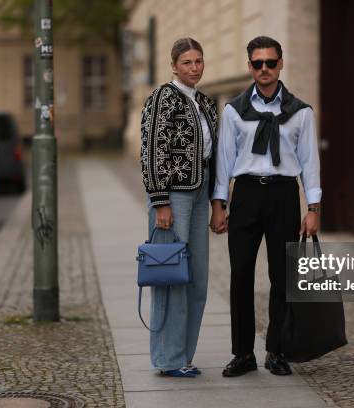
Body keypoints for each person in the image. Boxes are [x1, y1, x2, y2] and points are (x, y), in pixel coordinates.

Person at [211, 36, 321, 377]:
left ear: (280, 65)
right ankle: (243, 353)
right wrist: (219, 204)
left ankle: (277, 349)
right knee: (241, 275)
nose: (264, 69)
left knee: (282, 277)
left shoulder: (300, 113)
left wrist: (313, 207)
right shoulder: (234, 110)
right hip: (245, 195)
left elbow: (310, 162)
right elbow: (224, 161)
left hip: (283, 196)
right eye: (257, 63)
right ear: (249, 67)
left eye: (270, 63)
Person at [140, 37, 218, 378]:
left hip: (201, 193)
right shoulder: (162, 98)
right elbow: (151, 150)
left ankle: (184, 355)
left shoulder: (205, 102)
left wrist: (218, 201)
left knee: (197, 279)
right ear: (174, 66)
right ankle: (167, 359)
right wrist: (160, 201)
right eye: (187, 62)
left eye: (199, 61)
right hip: (173, 196)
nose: (195, 67)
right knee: (170, 275)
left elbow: (213, 155)